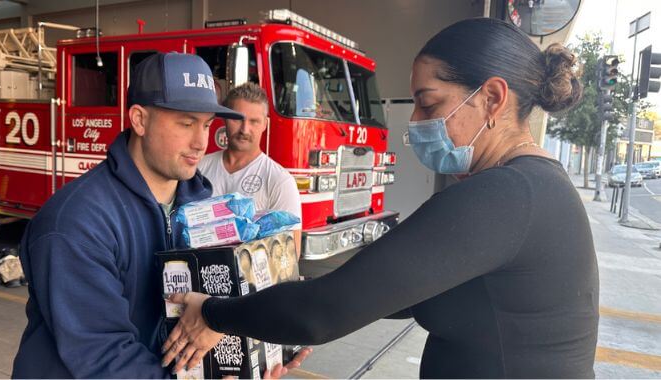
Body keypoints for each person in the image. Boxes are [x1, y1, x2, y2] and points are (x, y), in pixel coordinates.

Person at [161, 18, 599, 378]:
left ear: (492, 99)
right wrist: (281, 325)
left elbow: (325, 311)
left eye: (428, 104)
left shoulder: (506, 195)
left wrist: (214, 314)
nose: (414, 121)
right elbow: (384, 292)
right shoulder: (532, 189)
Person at [10, 52, 245, 378]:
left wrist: (252, 357)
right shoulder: (76, 222)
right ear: (139, 120)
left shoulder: (201, 205)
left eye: (207, 124)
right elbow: (104, 358)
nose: (201, 142)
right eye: (186, 123)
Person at [198, 82, 303, 254]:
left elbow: (292, 253)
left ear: (265, 124)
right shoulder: (199, 168)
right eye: (237, 119)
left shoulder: (279, 180)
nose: (244, 129)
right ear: (224, 119)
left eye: (254, 121)